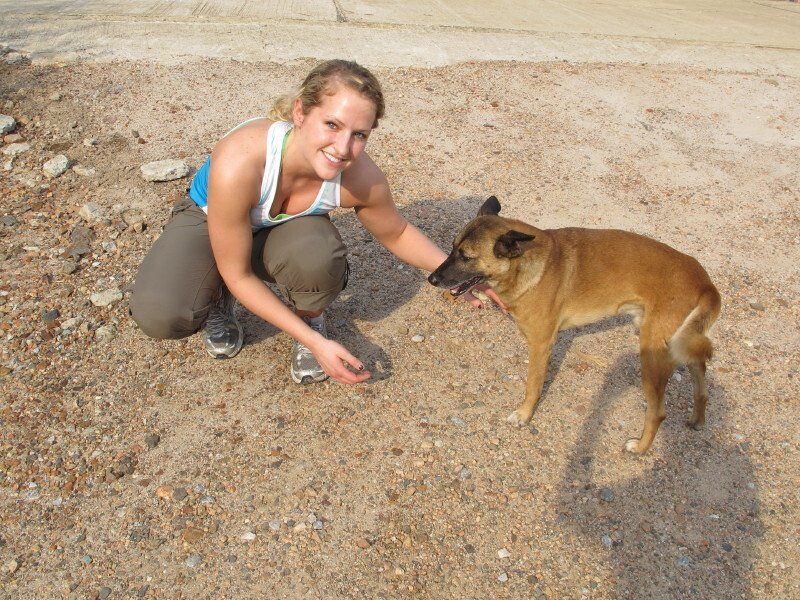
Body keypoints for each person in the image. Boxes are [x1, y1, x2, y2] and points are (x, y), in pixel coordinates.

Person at [130, 59, 503, 385]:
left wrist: (456, 275)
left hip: (281, 231)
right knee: (163, 313)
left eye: (359, 134)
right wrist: (316, 348)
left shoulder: (360, 177)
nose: (343, 148)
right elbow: (239, 272)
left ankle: (310, 319)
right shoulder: (242, 157)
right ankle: (215, 296)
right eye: (332, 125)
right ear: (300, 113)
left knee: (318, 257)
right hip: (211, 218)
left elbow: (397, 231)